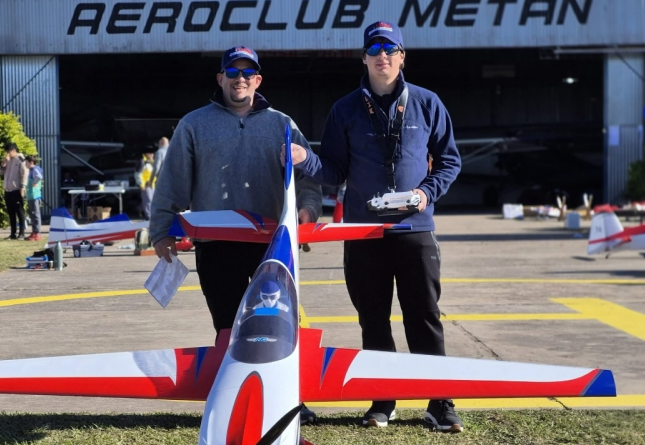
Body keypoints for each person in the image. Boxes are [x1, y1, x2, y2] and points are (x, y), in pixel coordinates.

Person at [291, 21, 463, 431]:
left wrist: (426, 193)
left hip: (414, 230)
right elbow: (333, 169)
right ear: (364, 57)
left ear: (402, 56)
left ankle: (440, 402)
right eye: (375, 49)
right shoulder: (345, 109)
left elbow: (451, 160)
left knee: (424, 316)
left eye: (391, 48)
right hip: (364, 233)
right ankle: (383, 399)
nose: (382, 55)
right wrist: (304, 160)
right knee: (373, 319)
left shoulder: (427, 103)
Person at [149, 45, 322, 425]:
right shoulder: (193, 124)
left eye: (248, 73)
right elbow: (173, 181)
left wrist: (307, 211)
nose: (240, 78)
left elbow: (309, 175)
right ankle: (231, 395)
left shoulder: (283, 123)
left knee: (278, 325)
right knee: (228, 327)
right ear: (220, 78)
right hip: (216, 244)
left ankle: (292, 398)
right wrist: (160, 227)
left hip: (271, 246)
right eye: (233, 72)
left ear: (257, 80)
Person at [0, 142, 28, 240]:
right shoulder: (7, 160)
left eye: (9, 151)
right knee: (11, 213)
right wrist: (4, 163)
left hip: (16, 190)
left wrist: (22, 187)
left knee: (20, 212)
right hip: (8, 190)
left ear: (14, 150)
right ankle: (12, 234)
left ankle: (22, 233)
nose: (7, 153)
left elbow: (24, 174)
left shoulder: (20, 159)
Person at [24, 155, 43, 241]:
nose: (25, 164)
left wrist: (35, 182)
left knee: (35, 215)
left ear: (31, 162)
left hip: (34, 196)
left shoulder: (35, 169)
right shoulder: (31, 170)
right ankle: (34, 232)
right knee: (32, 214)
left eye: (26, 162)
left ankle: (37, 233)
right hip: (31, 196)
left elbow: (39, 176)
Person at [135, 151, 155, 220]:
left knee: (152, 200)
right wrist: (141, 184)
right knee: (148, 200)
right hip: (146, 185)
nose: (151, 155)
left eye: (152, 153)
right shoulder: (142, 162)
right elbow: (137, 174)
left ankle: (139, 208)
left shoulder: (153, 162)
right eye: (150, 153)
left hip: (153, 185)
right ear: (146, 154)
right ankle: (148, 216)